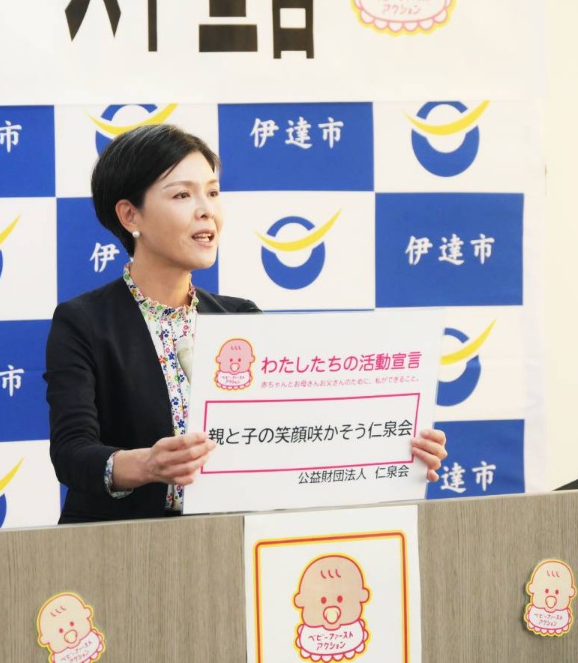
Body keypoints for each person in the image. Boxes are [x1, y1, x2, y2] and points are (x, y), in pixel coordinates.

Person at [44, 124, 448, 524]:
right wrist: (147, 464)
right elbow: (72, 453)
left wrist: (394, 452)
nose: (206, 210)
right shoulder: (84, 321)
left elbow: (289, 438)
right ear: (130, 214)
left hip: (232, 538)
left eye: (213, 192)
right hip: (120, 543)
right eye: (183, 194)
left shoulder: (240, 318)